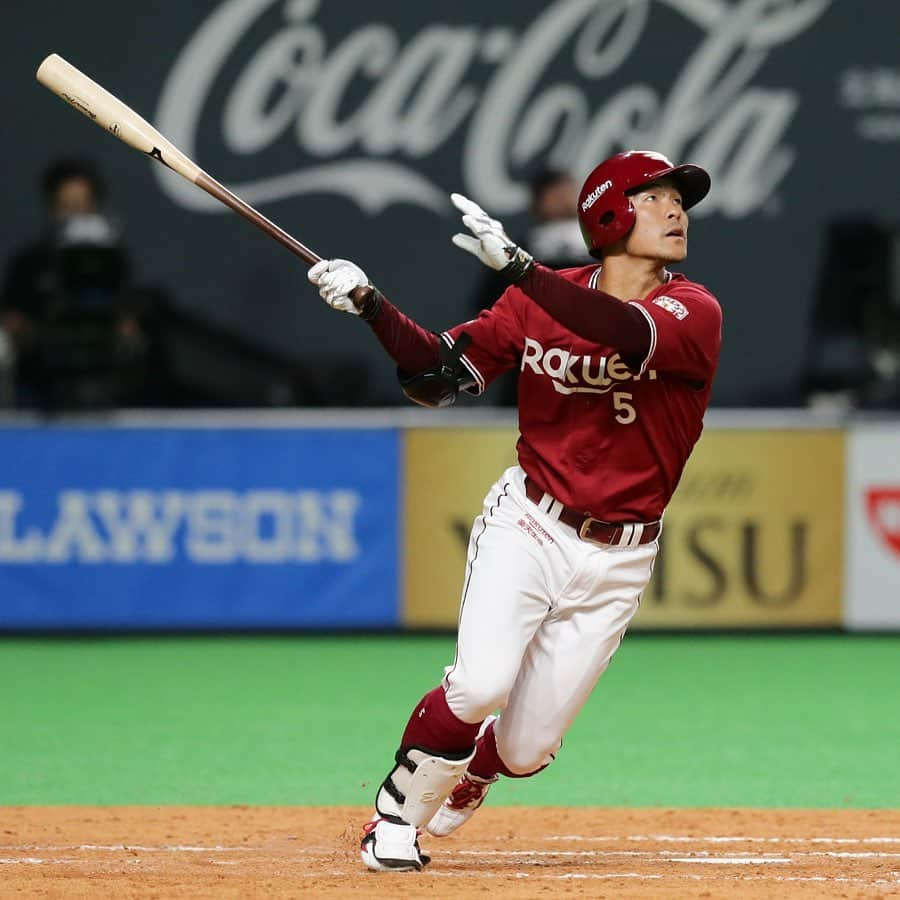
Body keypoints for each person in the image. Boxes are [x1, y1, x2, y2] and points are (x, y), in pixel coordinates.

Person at [308, 150, 722, 872]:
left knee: (528, 750)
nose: (675, 210)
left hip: (623, 554)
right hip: (531, 520)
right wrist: (371, 307)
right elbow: (436, 376)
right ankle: (394, 822)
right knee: (479, 683)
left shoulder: (693, 310)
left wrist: (524, 270)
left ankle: (476, 771)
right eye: (654, 198)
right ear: (608, 213)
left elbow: (619, 331)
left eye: (677, 200)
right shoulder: (536, 298)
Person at [1, 158, 150, 410]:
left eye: (82, 206)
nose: (74, 215)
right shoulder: (30, 262)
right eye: (66, 206)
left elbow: (129, 323)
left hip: (108, 381)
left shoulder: (112, 260)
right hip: (40, 382)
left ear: (95, 206)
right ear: (51, 207)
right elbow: (12, 321)